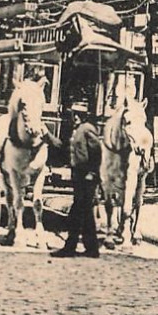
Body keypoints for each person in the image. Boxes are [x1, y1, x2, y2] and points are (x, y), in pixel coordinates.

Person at [52, 110, 102, 258]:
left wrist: (92, 173)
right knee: (86, 213)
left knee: (77, 212)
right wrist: (48, 137)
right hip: (79, 175)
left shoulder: (87, 129)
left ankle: (70, 247)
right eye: (74, 115)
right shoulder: (77, 131)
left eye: (78, 115)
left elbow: (97, 153)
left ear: (83, 116)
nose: (75, 118)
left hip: (87, 176)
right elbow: (66, 149)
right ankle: (92, 249)